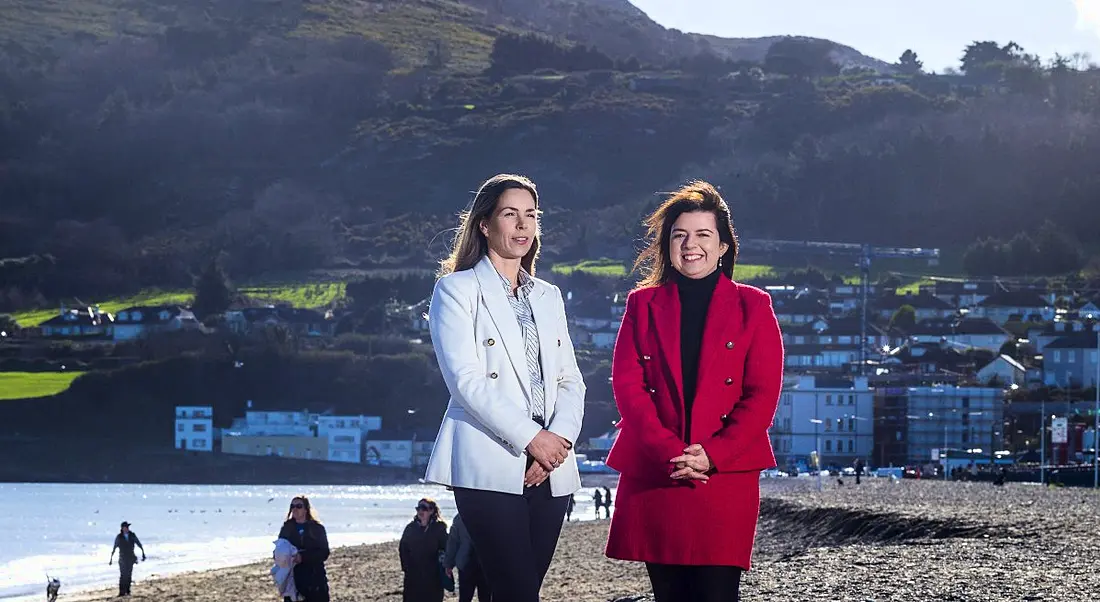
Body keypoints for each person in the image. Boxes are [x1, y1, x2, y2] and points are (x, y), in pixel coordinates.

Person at [603, 181, 784, 602]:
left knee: (718, 595)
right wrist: (673, 452)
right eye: (680, 235)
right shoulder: (641, 304)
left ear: (723, 246)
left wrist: (712, 454)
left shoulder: (754, 306)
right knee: (668, 596)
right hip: (658, 470)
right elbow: (628, 387)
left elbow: (762, 396)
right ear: (667, 245)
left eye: (703, 235)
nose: (690, 245)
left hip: (724, 474)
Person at [424, 173, 586, 602]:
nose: (522, 225)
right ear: (484, 223)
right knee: (515, 591)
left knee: (519, 590)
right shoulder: (456, 290)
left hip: (550, 464)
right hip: (490, 457)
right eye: (510, 214)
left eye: (530, 215)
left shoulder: (549, 296)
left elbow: (571, 379)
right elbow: (466, 381)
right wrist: (533, 438)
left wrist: (558, 443)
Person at [277, 496, 330, 602]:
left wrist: (302, 557)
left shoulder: (317, 528)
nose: (295, 509)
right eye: (292, 506)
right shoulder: (287, 528)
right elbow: (279, 548)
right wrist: (280, 556)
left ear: (306, 509)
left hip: (315, 580)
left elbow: (324, 552)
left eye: (299, 506)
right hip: (292, 580)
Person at [400, 498, 450, 602]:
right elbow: (403, 548)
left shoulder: (439, 528)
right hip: (413, 575)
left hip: (433, 576)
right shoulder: (410, 528)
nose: (420, 511)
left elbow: (445, 549)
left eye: (424, 508)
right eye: (418, 508)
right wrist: (406, 567)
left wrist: (445, 567)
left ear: (432, 511)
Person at [443, 512, 491, 602]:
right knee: (484, 597)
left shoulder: (460, 516)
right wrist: (448, 563)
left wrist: (448, 564)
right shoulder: (489, 514)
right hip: (478, 563)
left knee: (467, 597)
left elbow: (453, 542)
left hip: (471, 563)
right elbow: (453, 542)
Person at [109, 521, 145, 597]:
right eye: (125, 527)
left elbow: (138, 543)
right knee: (123, 575)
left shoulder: (132, 535)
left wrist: (143, 553)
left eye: (127, 527)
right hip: (122, 558)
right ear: (122, 528)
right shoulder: (119, 537)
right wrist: (111, 559)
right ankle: (121, 592)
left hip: (131, 557)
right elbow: (114, 547)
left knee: (129, 575)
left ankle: (128, 591)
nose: (127, 528)